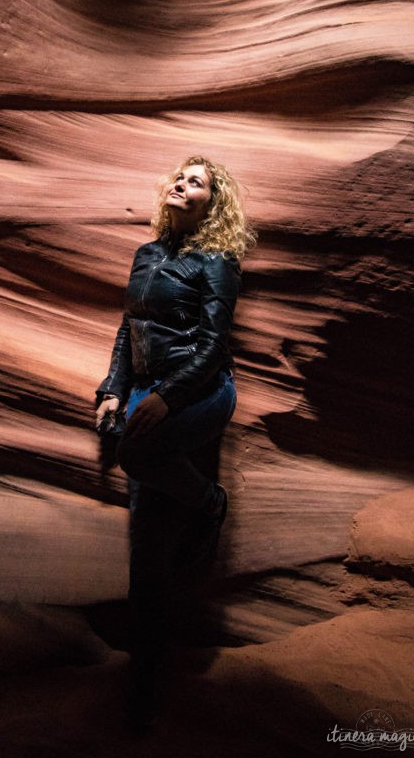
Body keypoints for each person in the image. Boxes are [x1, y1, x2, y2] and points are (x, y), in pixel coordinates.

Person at [94, 155, 256, 729]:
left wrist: (165, 399)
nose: (183, 185)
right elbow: (127, 327)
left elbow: (213, 349)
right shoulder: (146, 255)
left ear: (213, 203)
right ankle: (144, 677)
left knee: (134, 453)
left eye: (198, 183)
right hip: (143, 389)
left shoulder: (218, 261)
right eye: (181, 178)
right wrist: (113, 390)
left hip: (202, 390)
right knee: (146, 540)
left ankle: (211, 503)